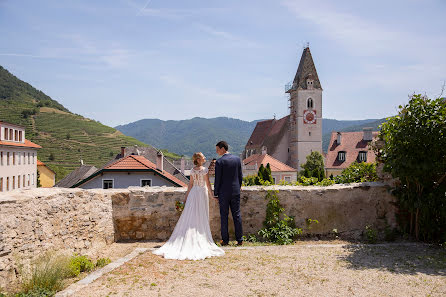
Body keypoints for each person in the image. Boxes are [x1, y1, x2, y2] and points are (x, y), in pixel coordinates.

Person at [153, 152, 224, 260]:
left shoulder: (192, 170)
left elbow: (190, 184)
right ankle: (200, 236)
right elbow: (208, 184)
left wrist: (186, 198)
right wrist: (212, 195)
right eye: (203, 156)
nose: (205, 157)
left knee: (191, 216)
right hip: (201, 193)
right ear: (199, 159)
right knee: (201, 215)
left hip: (193, 193)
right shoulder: (205, 170)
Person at [214, 141, 243, 246]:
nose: (217, 152)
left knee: (224, 216)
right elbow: (240, 176)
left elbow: (217, 180)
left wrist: (216, 193)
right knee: (237, 215)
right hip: (235, 191)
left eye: (217, 149)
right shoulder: (237, 159)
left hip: (223, 193)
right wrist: (238, 188)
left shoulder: (219, 162)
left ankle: (225, 240)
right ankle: (240, 239)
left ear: (222, 148)